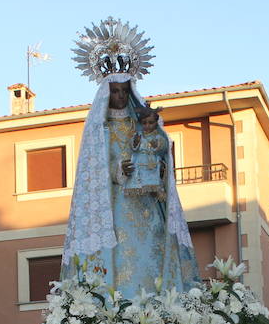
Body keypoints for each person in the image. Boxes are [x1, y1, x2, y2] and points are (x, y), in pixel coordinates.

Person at [61, 75, 199, 294]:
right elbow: (93, 167)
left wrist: (158, 159)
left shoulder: (141, 122)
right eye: (115, 91)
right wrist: (117, 170)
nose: (121, 96)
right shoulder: (100, 128)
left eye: (125, 91)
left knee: (152, 249)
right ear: (107, 93)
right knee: (120, 253)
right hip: (116, 205)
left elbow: (161, 146)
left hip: (147, 203)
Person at [127, 106, 169, 198]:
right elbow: (133, 147)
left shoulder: (158, 136)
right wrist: (135, 142)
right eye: (144, 123)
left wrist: (157, 145)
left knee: (153, 179)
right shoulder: (138, 135)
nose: (147, 126)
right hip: (140, 162)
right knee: (139, 179)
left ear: (156, 123)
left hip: (152, 163)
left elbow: (164, 147)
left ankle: (156, 190)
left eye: (150, 122)